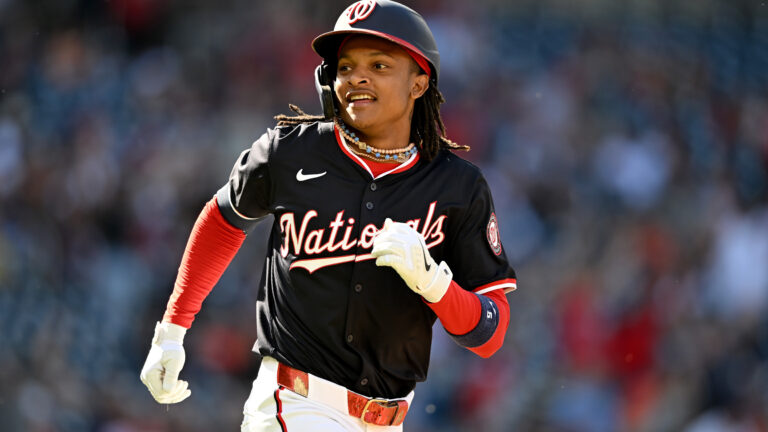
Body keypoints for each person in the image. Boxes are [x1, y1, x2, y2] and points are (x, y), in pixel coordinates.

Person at [140, 1, 517, 430]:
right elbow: (222, 221)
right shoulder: (289, 152)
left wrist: (436, 285)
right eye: (346, 66)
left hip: (389, 419)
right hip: (293, 402)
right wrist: (172, 328)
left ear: (418, 84)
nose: (357, 76)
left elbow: (492, 332)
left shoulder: (457, 186)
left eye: (379, 65)